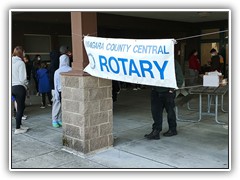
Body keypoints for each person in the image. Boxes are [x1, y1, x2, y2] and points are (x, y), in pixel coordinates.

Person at [144, 60, 184, 140]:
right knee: (156, 112)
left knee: (170, 112)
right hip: (156, 90)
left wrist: (173, 89)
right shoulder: (154, 61)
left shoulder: (172, 62)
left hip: (167, 91)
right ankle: (156, 131)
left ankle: (172, 129)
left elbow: (179, 77)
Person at [52, 46, 72, 127]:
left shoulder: (57, 72)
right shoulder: (71, 70)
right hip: (69, 91)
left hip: (60, 91)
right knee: (66, 107)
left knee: (58, 105)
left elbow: (55, 84)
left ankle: (55, 120)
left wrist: (56, 94)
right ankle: (61, 119)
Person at [12, 46, 29, 134]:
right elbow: (23, 78)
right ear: (21, 53)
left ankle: (20, 125)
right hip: (19, 87)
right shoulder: (21, 63)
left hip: (11, 87)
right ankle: (18, 128)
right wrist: (26, 85)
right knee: (20, 108)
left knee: (17, 107)